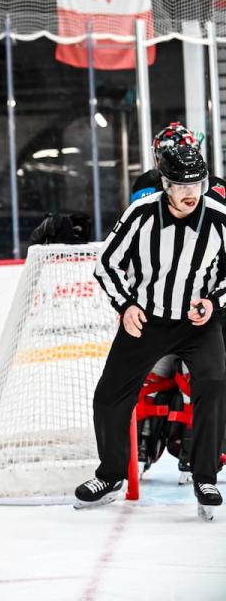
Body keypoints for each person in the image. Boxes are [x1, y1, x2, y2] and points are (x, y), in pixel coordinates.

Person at [76, 145, 226, 521]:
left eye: (198, 184)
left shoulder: (220, 218)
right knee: (110, 394)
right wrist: (126, 305)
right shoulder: (141, 215)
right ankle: (110, 475)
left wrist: (214, 301)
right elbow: (107, 263)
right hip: (147, 320)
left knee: (214, 383)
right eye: (181, 185)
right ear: (165, 184)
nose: (192, 192)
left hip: (198, 323)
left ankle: (205, 476)